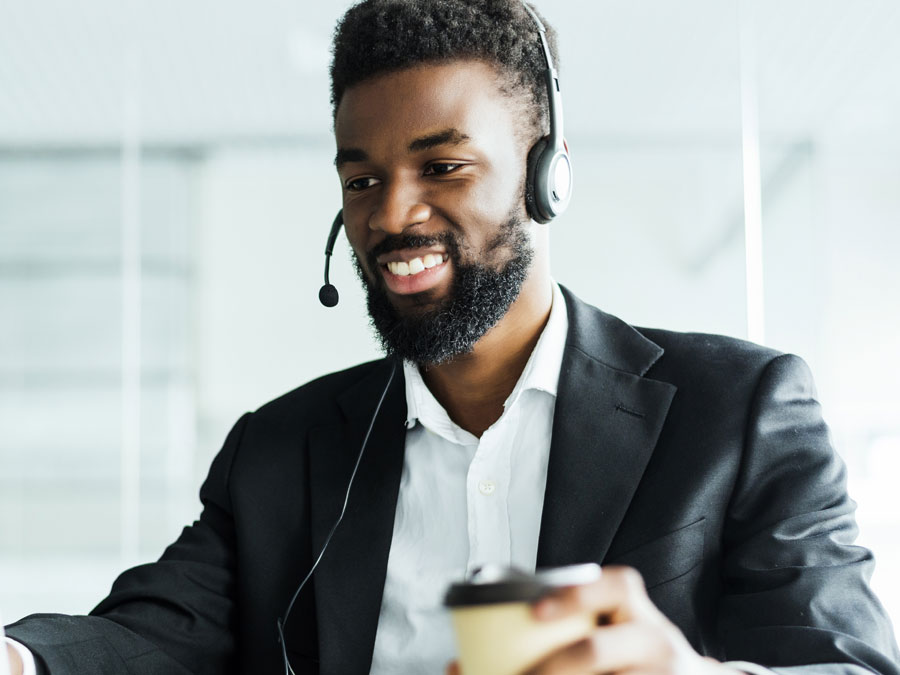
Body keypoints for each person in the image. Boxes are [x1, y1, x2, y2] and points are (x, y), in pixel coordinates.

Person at [4, 0, 900, 673]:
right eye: (361, 179)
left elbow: (844, 660)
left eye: (443, 166)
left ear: (545, 172)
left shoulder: (739, 410)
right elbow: (152, 632)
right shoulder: (279, 451)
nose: (391, 213)